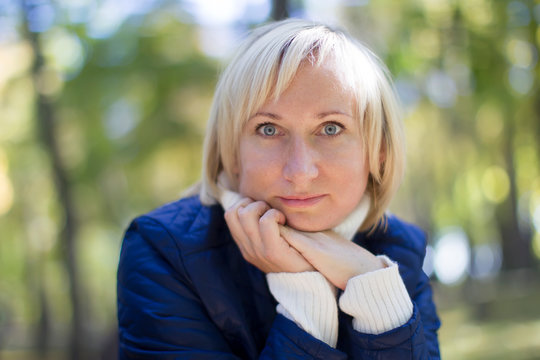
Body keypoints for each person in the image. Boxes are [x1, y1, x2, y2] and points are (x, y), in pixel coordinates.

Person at [117, 19, 441, 359]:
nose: (300, 172)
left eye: (330, 128)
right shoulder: (163, 252)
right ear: (232, 150)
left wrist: (375, 292)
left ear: (378, 152)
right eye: (268, 129)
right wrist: (306, 300)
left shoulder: (401, 252)